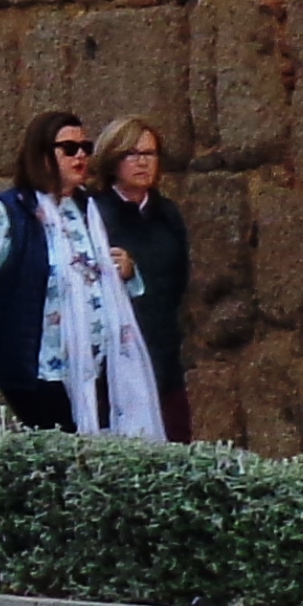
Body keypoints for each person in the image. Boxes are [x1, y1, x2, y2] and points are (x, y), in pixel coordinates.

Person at [0, 111, 163, 438]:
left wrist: (127, 272)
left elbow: (99, 280)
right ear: (42, 155)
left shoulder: (87, 210)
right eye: (69, 148)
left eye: (85, 146)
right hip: (37, 368)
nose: (81, 154)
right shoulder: (6, 214)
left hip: (92, 367)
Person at [93, 114, 193, 438]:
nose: (142, 163)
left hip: (161, 348)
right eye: (131, 155)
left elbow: (178, 278)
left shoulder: (167, 214)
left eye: (149, 154)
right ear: (112, 160)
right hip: (112, 359)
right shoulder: (95, 213)